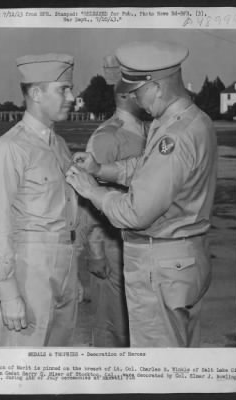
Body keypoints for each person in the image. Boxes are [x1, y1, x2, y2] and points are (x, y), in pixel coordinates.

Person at [66, 41, 218, 347]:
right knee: (180, 360)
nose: (133, 96)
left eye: (137, 90)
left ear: (157, 86)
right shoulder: (191, 120)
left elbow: (136, 213)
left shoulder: (174, 136)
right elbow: (149, 169)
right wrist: (102, 169)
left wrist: (94, 192)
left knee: (157, 369)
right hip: (185, 259)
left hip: (161, 264)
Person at [0, 53, 83, 346]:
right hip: (29, 269)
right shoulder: (9, 149)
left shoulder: (58, 145)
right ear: (36, 93)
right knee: (23, 367)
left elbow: (67, 211)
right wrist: (8, 292)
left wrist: (72, 272)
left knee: (56, 369)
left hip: (64, 267)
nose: (72, 96)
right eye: (63, 89)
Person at [84, 55, 146, 347]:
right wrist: (95, 248)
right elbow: (90, 195)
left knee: (138, 328)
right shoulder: (107, 137)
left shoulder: (148, 129)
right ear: (126, 94)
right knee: (113, 326)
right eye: (141, 89)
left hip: (140, 243)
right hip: (113, 246)